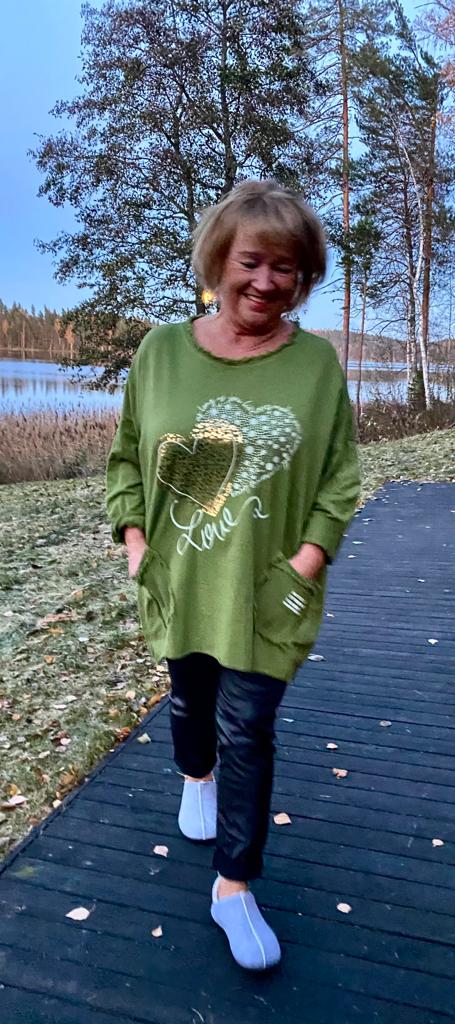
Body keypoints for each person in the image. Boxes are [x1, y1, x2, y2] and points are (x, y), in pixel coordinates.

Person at [106, 179, 360, 971]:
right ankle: (195, 774)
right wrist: (136, 541)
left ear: (302, 276)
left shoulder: (314, 365)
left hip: (266, 590)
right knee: (189, 701)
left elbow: (339, 475)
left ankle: (233, 885)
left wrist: (307, 560)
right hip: (179, 579)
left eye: (286, 268)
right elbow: (127, 456)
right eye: (252, 262)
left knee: (248, 728)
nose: (266, 282)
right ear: (217, 261)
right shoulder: (160, 351)